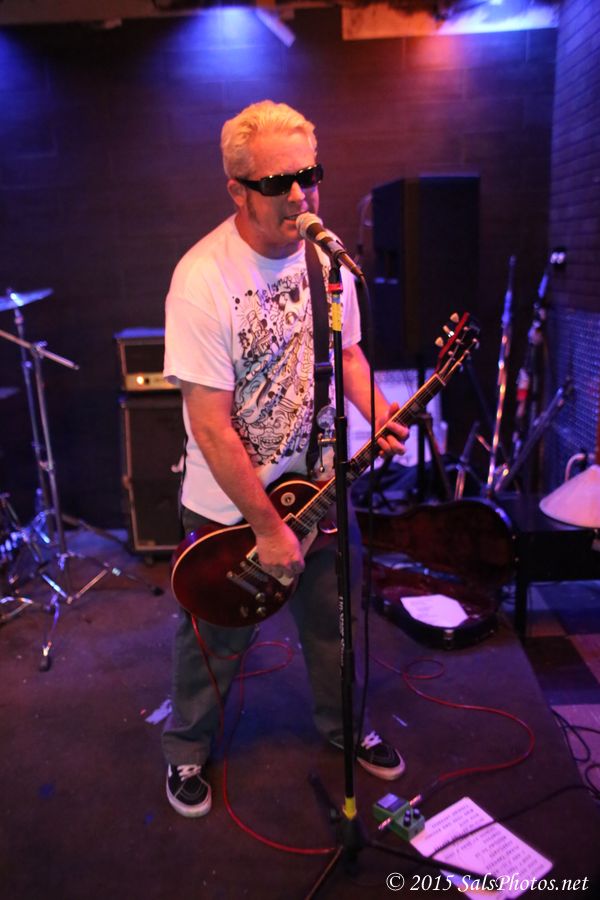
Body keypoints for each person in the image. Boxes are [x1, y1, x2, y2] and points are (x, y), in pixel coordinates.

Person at [162, 100, 409, 818]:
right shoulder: (202, 278)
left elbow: (349, 353)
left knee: (335, 628)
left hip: (321, 489)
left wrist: (378, 411)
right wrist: (269, 529)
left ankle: (344, 729)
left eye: (310, 175)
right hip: (232, 508)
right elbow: (211, 426)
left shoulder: (327, 261)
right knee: (215, 638)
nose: (300, 195)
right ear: (238, 190)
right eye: (278, 183)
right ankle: (185, 749)